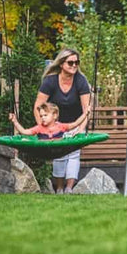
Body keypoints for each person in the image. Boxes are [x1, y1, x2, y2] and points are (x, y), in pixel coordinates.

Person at [34, 48, 91, 194]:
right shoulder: (50, 81)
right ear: (61, 64)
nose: (74, 65)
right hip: (56, 126)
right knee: (59, 155)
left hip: (75, 123)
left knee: (74, 154)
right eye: (70, 62)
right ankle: (59, 187)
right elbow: (37, 106)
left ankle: (69, 188)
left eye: (76, 62)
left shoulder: (81, 81)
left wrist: (81, 129)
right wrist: (43, 128)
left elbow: (86, 109)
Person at [9, 102, 89, 139]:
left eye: (45, 115)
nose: (43, 118)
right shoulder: (39, 128)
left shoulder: (60, 127)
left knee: (71, 135)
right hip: (45, 150)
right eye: (41, 116)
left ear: (54, 115)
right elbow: (24, 132)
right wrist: (15, 121)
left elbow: (75, 124)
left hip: (59, 149)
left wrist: (85, 114)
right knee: (24, 139)